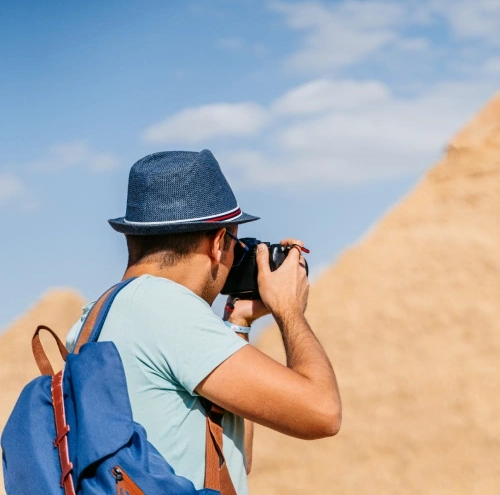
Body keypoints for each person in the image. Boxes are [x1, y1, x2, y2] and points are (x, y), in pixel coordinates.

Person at [65, 149, 341, 495]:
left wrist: (238, 322)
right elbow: (322, 412)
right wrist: (289, 310)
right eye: (236, 246)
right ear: (217, 243)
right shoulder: (165, 309)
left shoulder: (98, 315)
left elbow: (236, 459)